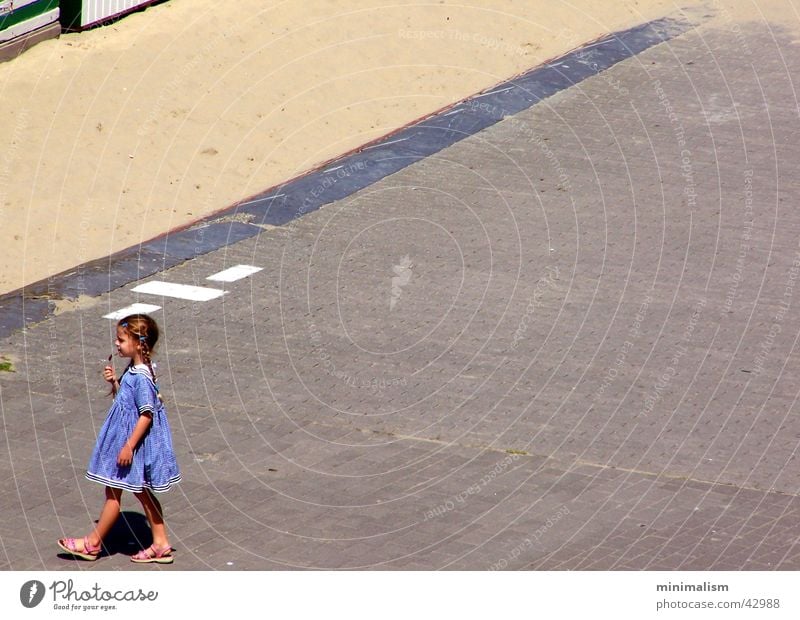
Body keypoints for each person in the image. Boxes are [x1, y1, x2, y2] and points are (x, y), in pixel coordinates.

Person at [57, 314, 181, 563]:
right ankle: (160, 543)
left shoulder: (141, 377)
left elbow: (145, 415)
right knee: (140, 492)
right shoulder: (135, 370)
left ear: (138, 343)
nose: (116, 343)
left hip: (133, 445)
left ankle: (92, 544)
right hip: (132, 443)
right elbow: (129, 405)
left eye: (121, 339)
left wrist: (128, 446)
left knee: (114, 492)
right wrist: (115, 382)